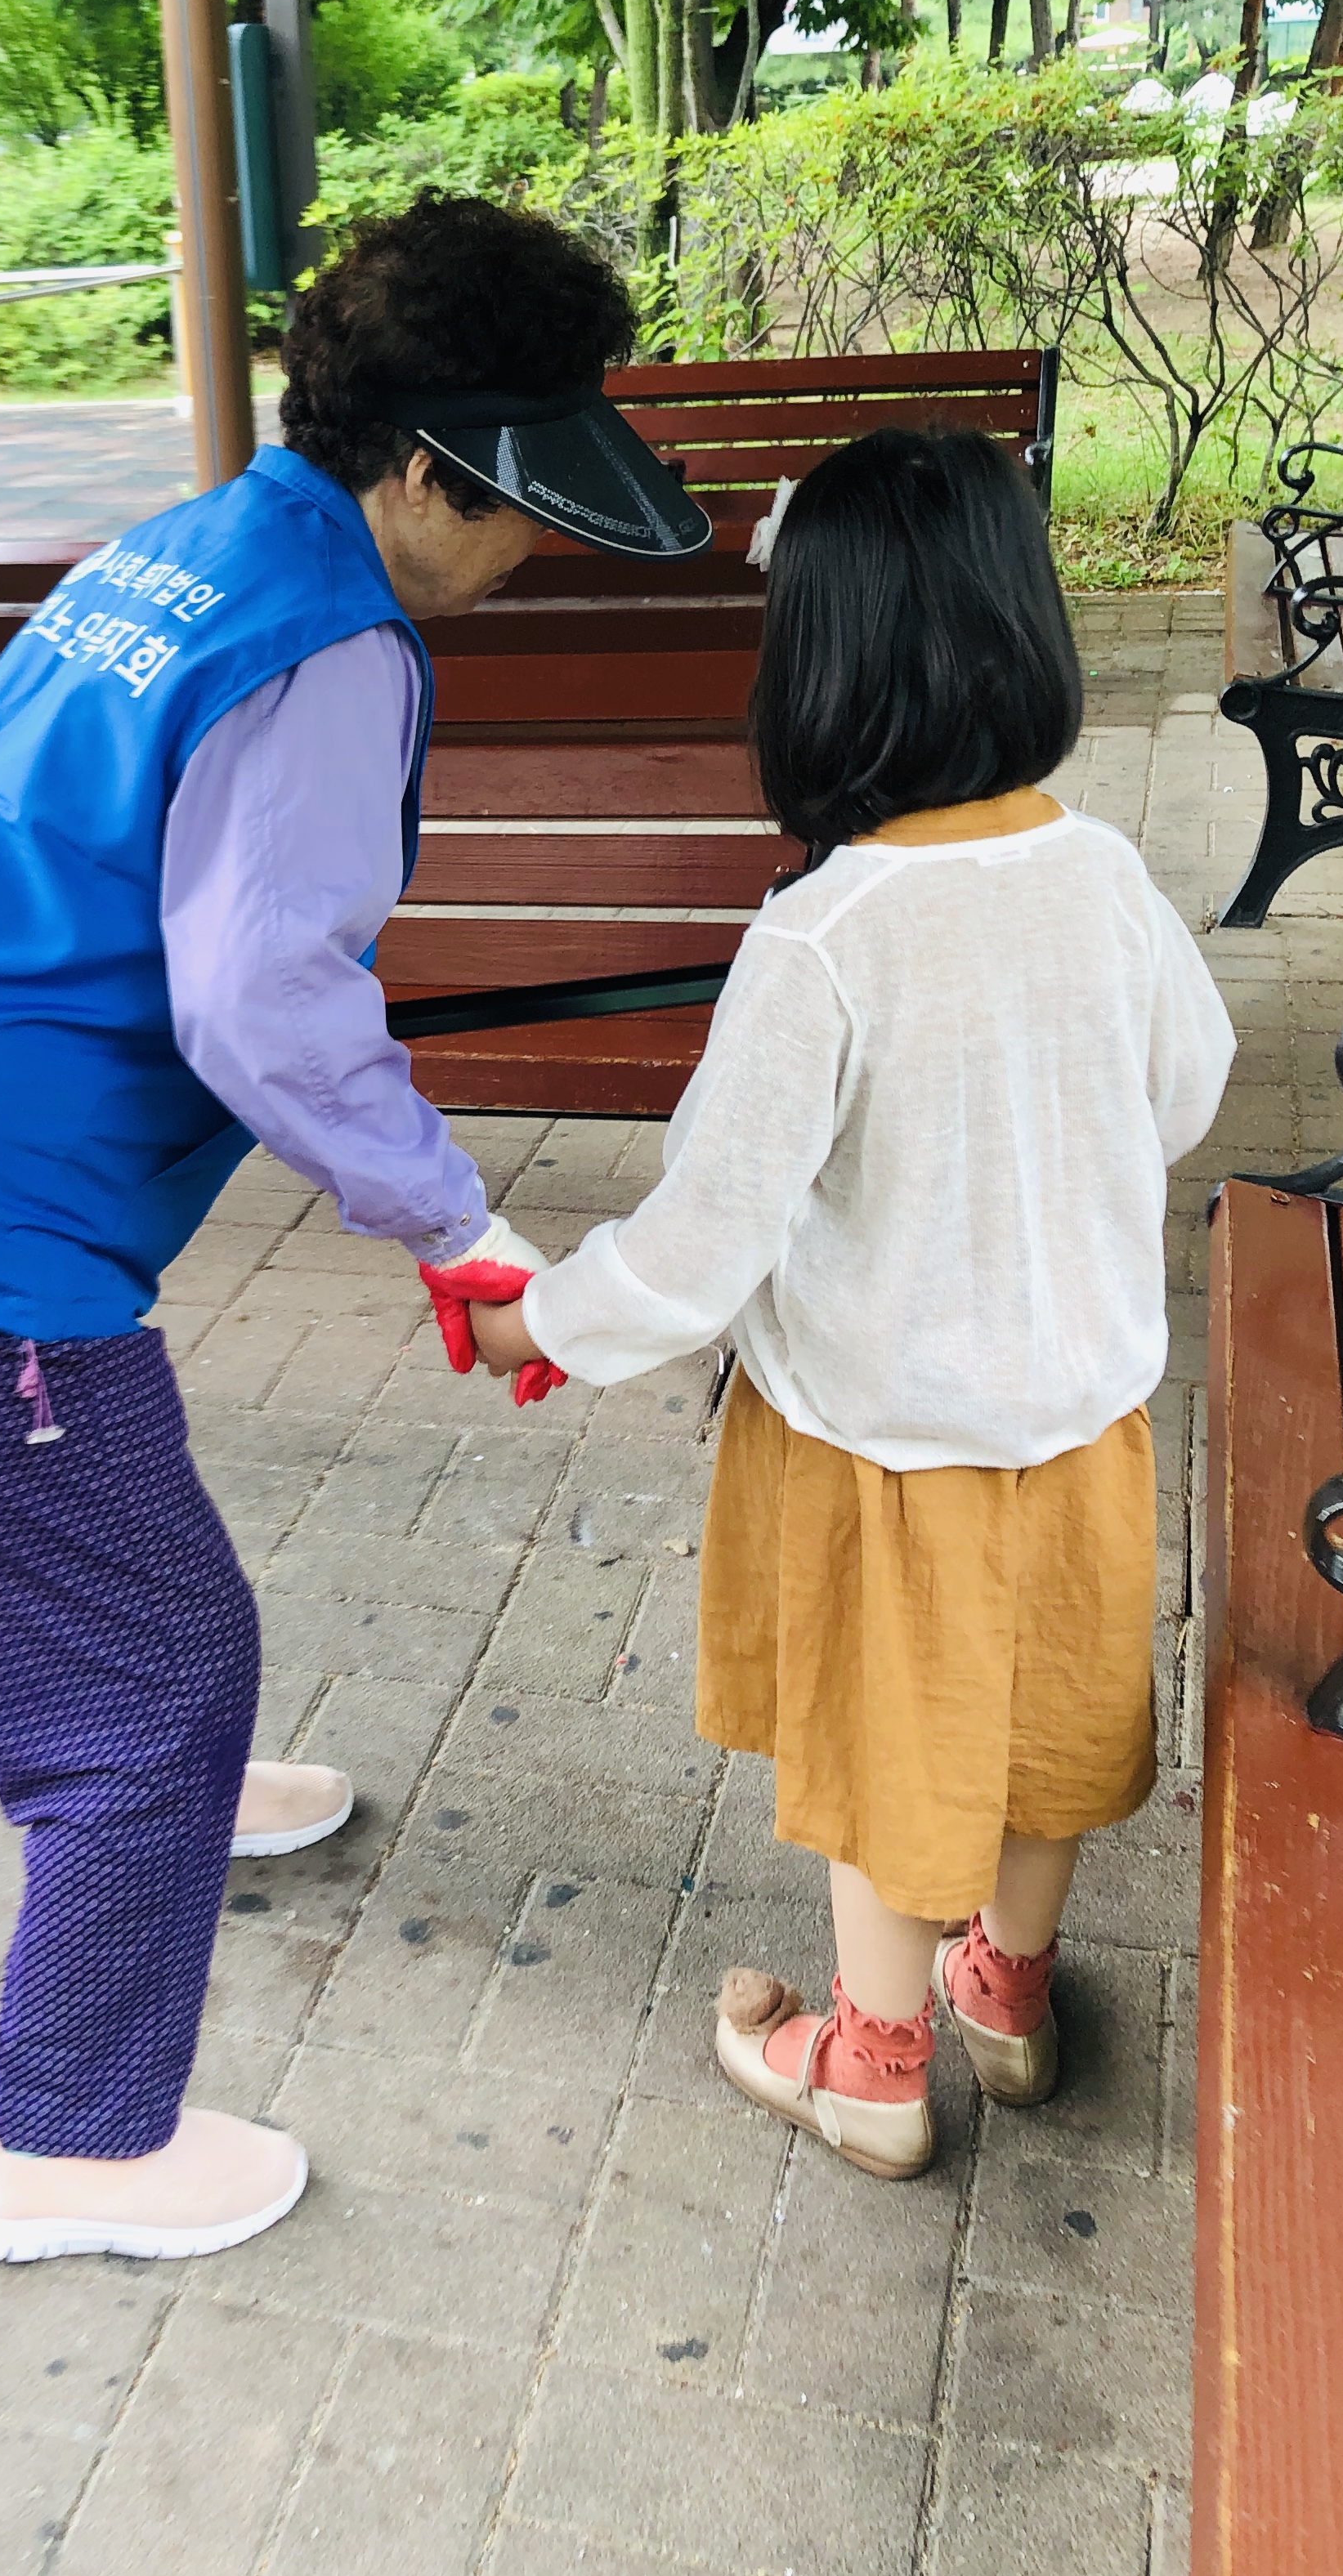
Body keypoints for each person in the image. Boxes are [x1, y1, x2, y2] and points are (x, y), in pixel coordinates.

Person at [0, 192, 710, 2261]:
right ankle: (67, 2138)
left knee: (90, 1576)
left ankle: (151, 1809)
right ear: (422, 471)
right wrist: (455, 1227)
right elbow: (262, 999)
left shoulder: (207, 542)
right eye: (519, 499)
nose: (534, 547)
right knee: (160, 1665)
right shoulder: (333, 641)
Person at [463, 424, 1233, 2180]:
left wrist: (538, 1319)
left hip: (884, 1441)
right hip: (1083, 1417)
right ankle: (1008, 1996)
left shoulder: (823, 937)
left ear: (820, 668)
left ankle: (875, 2070)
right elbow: (1186, 1091)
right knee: (1045, 1723)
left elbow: (701, 1243)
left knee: (901, 1748)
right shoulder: (1106, 872)